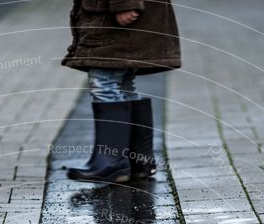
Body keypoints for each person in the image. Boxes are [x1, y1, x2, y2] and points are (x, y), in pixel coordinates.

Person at [62, 0, 181, 183]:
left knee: (104, 84)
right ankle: (137, 160)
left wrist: (125, 3)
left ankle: (111, 162)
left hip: (113, 20)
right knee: (123, 84)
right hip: (117, 18)